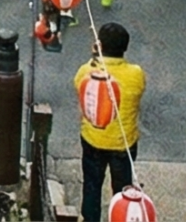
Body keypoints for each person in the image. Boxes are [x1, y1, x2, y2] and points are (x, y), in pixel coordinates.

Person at [74, 22, 146, 222]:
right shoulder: (136, 74)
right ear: (125, 48)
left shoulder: (86, 72)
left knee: (91, 185)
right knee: (122, 188)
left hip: (93, 139)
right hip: (124, 142)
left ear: (100, 46)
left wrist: (95, 57)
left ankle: (90, 219)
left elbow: (80, 88)